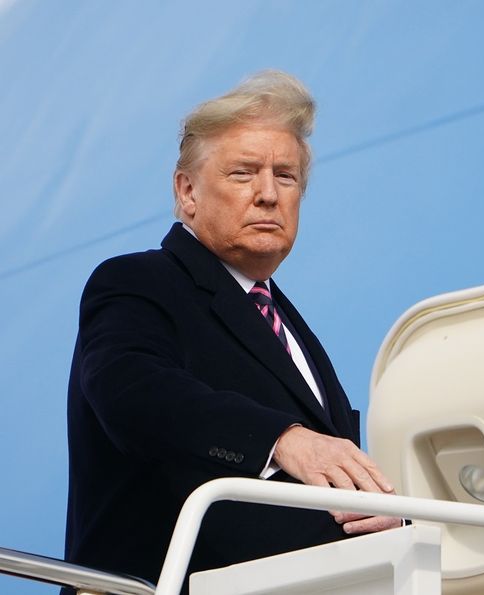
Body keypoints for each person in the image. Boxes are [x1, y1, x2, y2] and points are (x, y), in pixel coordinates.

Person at [64, 70, 400, 588]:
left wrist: (386, 517)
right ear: (187, 191)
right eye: (243, 173)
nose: (268, 194)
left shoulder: (291, 328)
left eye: (285, 176)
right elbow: (131, 393)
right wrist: (282, 440)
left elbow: (326, 482)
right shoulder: (136, 281)